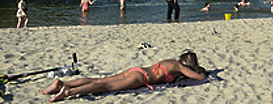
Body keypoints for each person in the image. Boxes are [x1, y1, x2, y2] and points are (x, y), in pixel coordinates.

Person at [40, 51, 207, 102]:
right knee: (105, 87)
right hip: (141, 79)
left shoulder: (171, 60)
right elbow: (199, 78)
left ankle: (62, 83)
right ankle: (68, 92)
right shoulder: (179, 67)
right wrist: (202, 71)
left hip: (136, 70)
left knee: (98, 80)